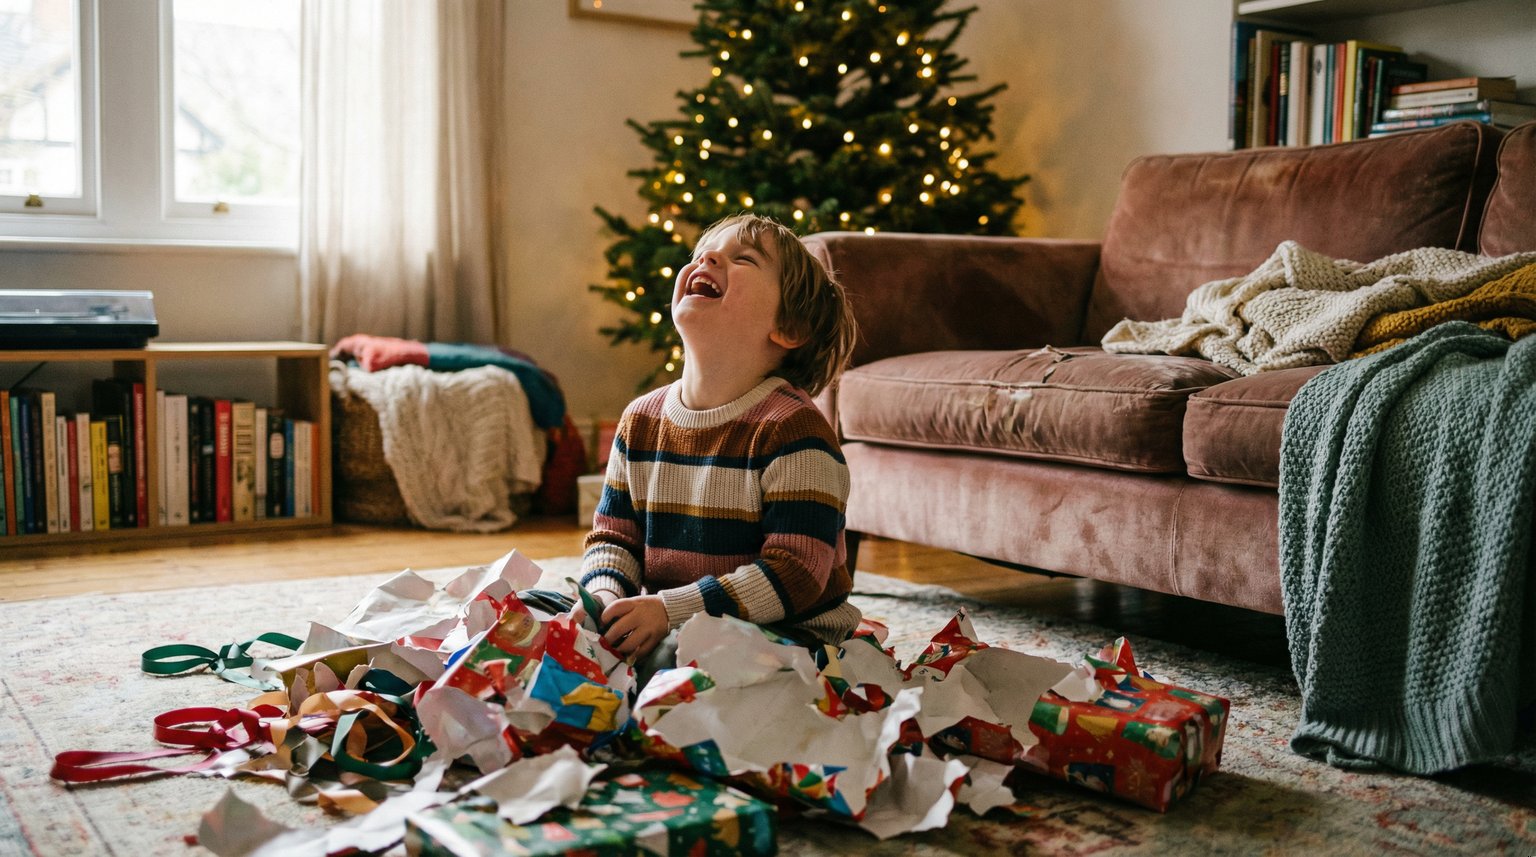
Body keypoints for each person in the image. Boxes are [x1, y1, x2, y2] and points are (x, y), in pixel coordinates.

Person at [578, 213, 861, 672]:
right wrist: (605, 600)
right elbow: (614, 538)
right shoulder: (640, 420)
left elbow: (796, 573)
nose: (706, 258)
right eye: (702, 254)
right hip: (679, 620)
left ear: (788, 328)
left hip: (793, 638)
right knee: (535, 612)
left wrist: (670, 611)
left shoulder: (794, 430)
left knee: (676, 658)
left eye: (743, 258)